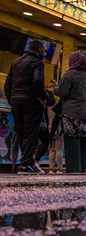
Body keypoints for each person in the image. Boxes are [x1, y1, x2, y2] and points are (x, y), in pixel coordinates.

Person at [4, 39, 54, 174]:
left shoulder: (15, 62)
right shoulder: (38, 63)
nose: (44, 53)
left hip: (15, 100)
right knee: (31, 132)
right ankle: (25, 164)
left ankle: (28, 161)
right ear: (38, 50)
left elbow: (7, 84)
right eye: (43, 51)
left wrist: (11, 99)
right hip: (31, 101)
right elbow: (38, 80)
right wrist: (43, 98)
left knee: (20, 132)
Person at [54, 52, 86, 174]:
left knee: (72, 140)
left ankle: (73, 167)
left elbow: (62, 92)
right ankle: (83, 166)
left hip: (71, 113)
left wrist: (54, 88)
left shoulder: (69, 75)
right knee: (83, 140)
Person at [47, 101, 63, 174]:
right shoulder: (59, 108)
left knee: (51, 150)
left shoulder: (48, 109)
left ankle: (51, 168)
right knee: (58, 150)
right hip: (58, 130)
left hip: (50, 130)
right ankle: (59, 168)